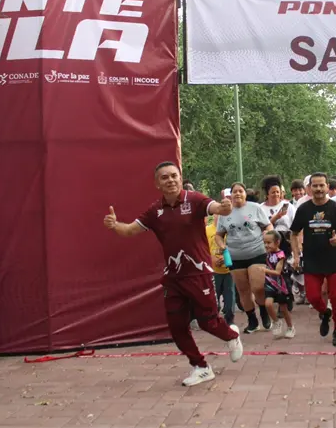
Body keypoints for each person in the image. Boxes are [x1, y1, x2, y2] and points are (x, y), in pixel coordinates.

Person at [103, 162, 242, 386]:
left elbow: (216, 208)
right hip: (173, 278)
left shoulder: (194, 199)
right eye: (165, 177)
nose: (171, 180)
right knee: (177, 327)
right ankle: (201, 367)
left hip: (199, 274)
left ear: (180, 178)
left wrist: (224, 208)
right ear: (157, 183)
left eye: (174, 176)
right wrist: (114, 225)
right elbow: (129, 230)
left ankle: (231, 336)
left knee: (209, 323)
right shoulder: (155, 210)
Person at [291, 172, 336, 346]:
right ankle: (325, 313)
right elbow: (293, 233)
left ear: (327, 187)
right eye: (315, 185)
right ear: (309, 188)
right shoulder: (303, 209)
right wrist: (296, 255)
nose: (318, 189)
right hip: (312, 260)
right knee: (312, 296)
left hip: (335, 259)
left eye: (321, 185)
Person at [215, 182, 272, 333]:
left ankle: (264, 312)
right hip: (235, 256)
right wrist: (222, 246)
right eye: (235, 192)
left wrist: (268, 234)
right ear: (230, 195)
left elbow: (268, 226)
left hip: (256, 252)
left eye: (241, 191)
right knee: (243, 290)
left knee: (257, 287)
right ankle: (252, 321)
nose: (238, 194)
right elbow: (219, 235)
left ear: (245, 194)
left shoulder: (255, 208)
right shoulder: (224, 213)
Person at [262, 231, 296, 338]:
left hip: (281, 285)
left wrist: (264, 270)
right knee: (268, 304)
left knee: (283, 309)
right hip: (269, 283)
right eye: (265, 243)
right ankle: (276, 322)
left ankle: (290, 327)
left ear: (277, 242)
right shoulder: (267, 254)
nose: (266, 245)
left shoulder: (280, 255)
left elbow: (277, 272)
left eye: (269, 242)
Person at [207, 210, 235, 326]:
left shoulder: (230, 229)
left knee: (230, 299)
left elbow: (236, 246)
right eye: (218, 214)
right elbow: (202, 248)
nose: (220, 216)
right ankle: (214, 320)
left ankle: (230, 321)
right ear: (213, 215)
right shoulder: (207, 230)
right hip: (213, 271)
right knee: (214, 298)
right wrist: (211, 258)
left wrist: (228, 257)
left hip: (229, 271)